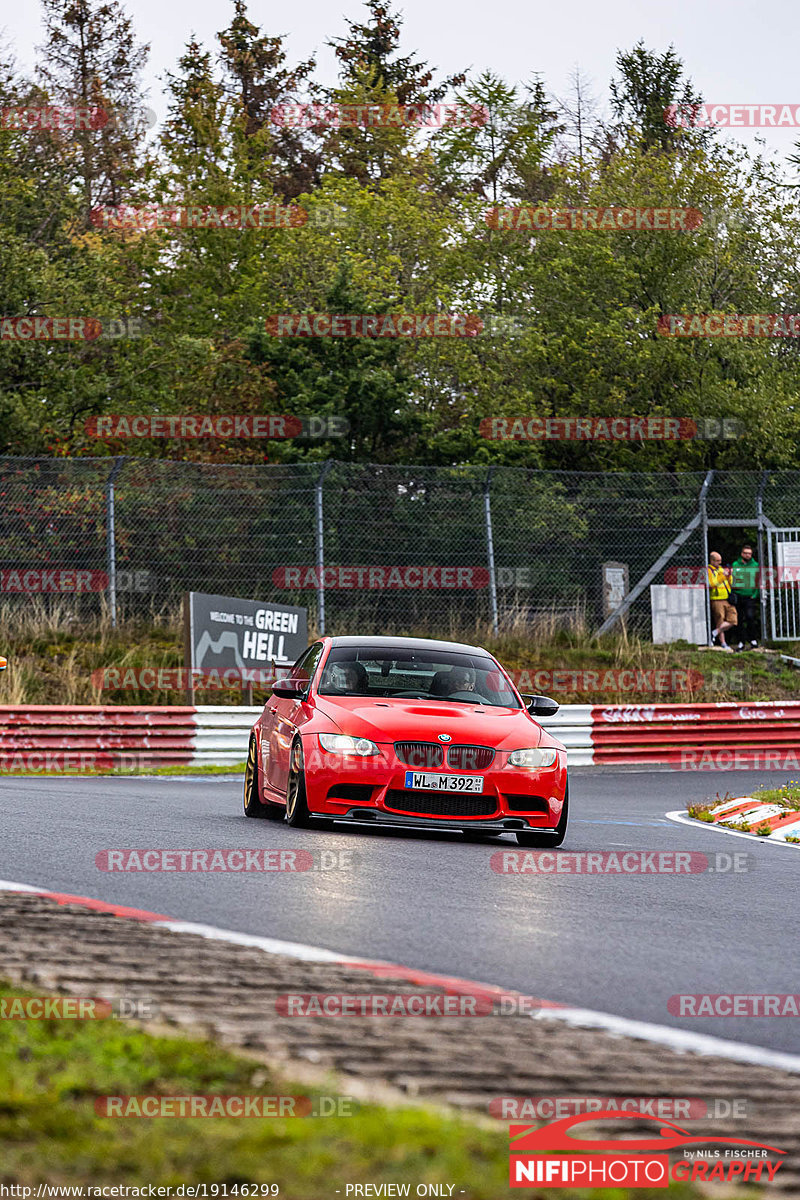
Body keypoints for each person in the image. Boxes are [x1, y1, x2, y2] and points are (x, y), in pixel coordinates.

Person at [730, 543, 761, 649]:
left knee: (750, 617)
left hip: (750, 596)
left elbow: (758, 581)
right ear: (742, 553)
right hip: (738, 595)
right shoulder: (735, 564)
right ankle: (741, 641)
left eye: (750, 554)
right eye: (746, 553)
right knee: (739, 619)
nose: (748, 555)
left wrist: (755, 594)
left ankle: (752, 639)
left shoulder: (755, 565)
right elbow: (732, 579)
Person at [707, 551, 736, 651]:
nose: (719, 563)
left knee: (733, 620)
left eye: (720, 561)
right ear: (712, 560)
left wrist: (729, 576)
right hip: (716, 599)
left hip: (727, 598)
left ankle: (714, 632)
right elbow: (712, 583)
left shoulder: (721, 569)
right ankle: (723, 643)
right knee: (720, 620)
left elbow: (730, 583)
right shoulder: (709, 570)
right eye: (717, 561)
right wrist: (723, 576)